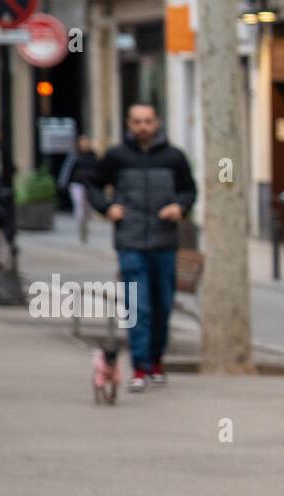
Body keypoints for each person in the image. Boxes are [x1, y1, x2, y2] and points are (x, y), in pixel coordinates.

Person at [82, 103, 196, 392]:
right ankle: (140, 366)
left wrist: (179, 206)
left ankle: (156, 360)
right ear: (129, 124)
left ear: (157, 123)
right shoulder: (117, 157)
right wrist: (107, 208)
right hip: (130, 242)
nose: (143, 127)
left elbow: (189, 190)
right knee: (139, 306)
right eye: (137, 122)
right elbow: (92, 183)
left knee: (162, 305)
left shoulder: (174, 157)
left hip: (164, 242)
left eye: (147, 121)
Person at [58, 134, 99, 244]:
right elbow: (67, 170)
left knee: (88, 208)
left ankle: (85, 224)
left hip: (89, 184)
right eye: (83, 142)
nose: (85, 144)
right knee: (79, 206)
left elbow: (98, 170)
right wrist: (63, 183)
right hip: (77, 184)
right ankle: (81, 227)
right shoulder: (74, 155)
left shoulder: (93, 155)